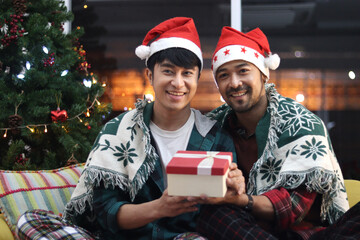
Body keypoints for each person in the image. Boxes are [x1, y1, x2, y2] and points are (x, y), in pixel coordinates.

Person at [58, 17, 242, 240]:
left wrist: (232, 192)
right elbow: (104, 213)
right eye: (168, 71)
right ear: (150, 76)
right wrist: (159, 207)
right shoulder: (118, 132)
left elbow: (222, 213)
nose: (178, 83)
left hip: (187, 237)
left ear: (196, 79)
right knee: (32, 220)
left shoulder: (215, 136)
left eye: (187, 73)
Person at [195, 26, 354, 240]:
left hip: (307, 233)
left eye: (243, 71)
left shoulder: (302, 124)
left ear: (263, 74)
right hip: (246, 228)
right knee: (210, 214)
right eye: (223, 75)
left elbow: (294, 208)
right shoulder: (211, 125)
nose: (234, 83)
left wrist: (241, 200)